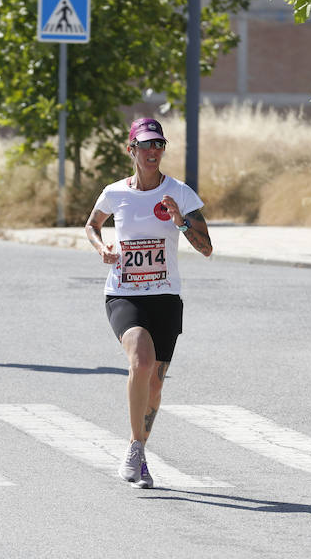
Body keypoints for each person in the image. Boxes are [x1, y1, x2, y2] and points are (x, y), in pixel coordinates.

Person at [84, 117, 212, 489]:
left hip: (165, 297)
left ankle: (136, 447)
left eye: (159, 145)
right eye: (146, 145)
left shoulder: (180, 193)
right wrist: (102, 247)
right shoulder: (114, 193)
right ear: (132, 150)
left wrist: (181, 222)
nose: (153, 151)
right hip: (123, 293)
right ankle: (135, 452)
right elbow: (92, 225)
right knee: (140, 359)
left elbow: (206, 248)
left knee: (155, 383)